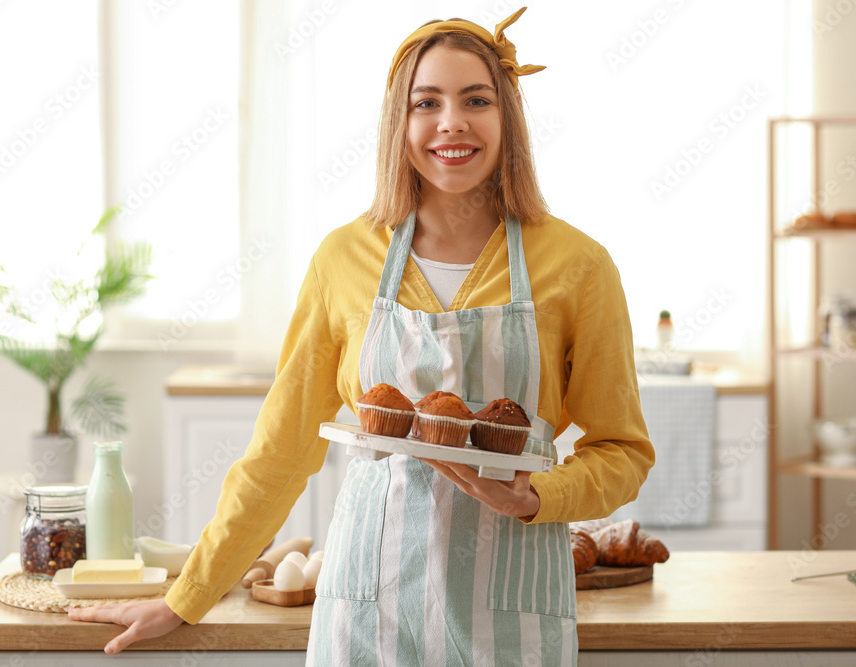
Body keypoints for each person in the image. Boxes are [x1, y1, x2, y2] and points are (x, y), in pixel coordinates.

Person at [69, 8, 654, 664]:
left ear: (507, 117)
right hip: (371, 608)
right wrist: (187, 596)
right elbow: (280, 451)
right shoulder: (344, 259)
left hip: (511, 605)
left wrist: (538, 494)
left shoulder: (579, 265)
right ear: (397, 124)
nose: (451, 122)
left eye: (477, 100)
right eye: (425, 101)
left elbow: (623, 449)